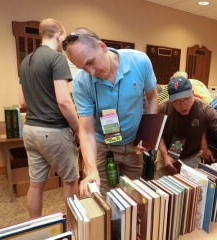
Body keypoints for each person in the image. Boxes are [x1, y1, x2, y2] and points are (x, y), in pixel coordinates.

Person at [63, 28, 158, 197]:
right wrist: (91, 169)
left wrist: (149, 133)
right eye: (82, 67)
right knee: (104, 200)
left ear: (102, 47)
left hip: (134, 144)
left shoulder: (140, 61)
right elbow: (86, 130)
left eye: (91, 62)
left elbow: (152, 97)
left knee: (133, 197)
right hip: (102, 146)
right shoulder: (81, 82)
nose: (90, 72)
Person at [18, 18, 80, 219]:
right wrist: (79, 129)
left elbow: (22, 104)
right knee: (71, 181)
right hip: (53, 131)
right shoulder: (57, 58)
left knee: (36, 184)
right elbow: (64, 101)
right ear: (59, 35)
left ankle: (35, 228)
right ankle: (73, 227)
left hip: (30, 130)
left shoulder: (26, 61)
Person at [155, 76, 217, 179]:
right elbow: (157, 132)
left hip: (191, 156)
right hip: (165, 154)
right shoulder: (163, 107)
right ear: (171, 100)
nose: (183, 105)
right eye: (178, 101)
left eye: (187, 99)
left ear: (192, 93)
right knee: (162, 188)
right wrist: (165, 155)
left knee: (192, 190)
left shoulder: (204, 108)